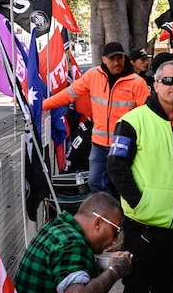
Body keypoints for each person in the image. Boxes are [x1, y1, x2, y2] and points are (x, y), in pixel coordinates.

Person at [107, 60, 173, 293]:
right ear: (156, 84)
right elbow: (116, 166)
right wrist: (139, 202)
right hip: (143, 227)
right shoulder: (132, 121)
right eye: (169, 81)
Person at [43, 42, 151, 194]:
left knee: (123, 186)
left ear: (124, 58)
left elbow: (147, 117)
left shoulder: (137, 83)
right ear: (104, 59)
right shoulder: (93, 76)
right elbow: (69, 94)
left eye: (119, 58)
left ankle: (121, 215)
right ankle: (111, 213)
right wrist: (43, 105)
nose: (116, 62)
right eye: (112, 59)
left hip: (123, 145)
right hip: (98, 145)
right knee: (94, 181)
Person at [14, 192, 133, 293]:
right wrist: (114, 271)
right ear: (98, 223)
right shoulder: (73, 244)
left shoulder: (60, 225)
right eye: (116, 231)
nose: (115, 240)